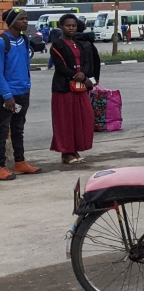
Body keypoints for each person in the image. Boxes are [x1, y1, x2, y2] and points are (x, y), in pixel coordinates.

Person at [49, 14, 100, 165]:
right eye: (67, 25)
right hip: (63, 88)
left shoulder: (79, 43)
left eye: (74, 25)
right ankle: (66, 152)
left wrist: (84, 75)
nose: (71, 28)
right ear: (60, 26)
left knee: (82, 118)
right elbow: (60, 67)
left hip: (80, 87)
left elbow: (86, 62)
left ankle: (75, 149)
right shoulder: (57, 45)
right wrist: (75, 75)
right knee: (65, 120)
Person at [0, 9, 39, 179]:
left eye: (26, 18)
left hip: (23, 92)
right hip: (7, 95)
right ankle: (1, 166)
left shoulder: (24, 40)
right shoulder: (2, 41)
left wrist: (28, 86)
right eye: (21, 19)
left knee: (18, 128)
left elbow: (25, 66)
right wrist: (7, 95)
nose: (26, 22)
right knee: (2, 131)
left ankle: (20, 162)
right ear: (11, 21)